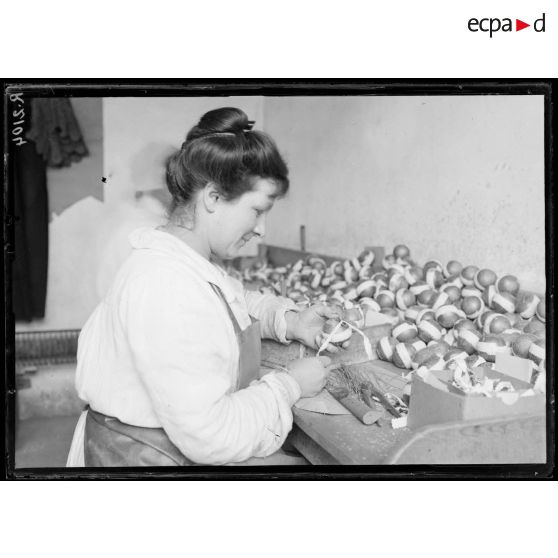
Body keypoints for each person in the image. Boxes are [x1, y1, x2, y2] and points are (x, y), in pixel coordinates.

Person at [66, 107, 343, 467]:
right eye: (257, 210)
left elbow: (232, 299)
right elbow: (212, 436)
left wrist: (289, 322)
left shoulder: (186, 261)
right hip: (143, 458)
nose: (261, 229)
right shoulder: (165, 285)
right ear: (212, 199)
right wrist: (290, 386)